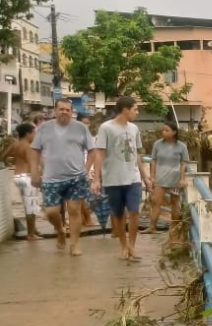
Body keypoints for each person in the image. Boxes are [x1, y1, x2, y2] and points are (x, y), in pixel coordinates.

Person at [28, 99, 93, 255]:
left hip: (76, 178)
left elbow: (92, 150)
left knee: (74, 210)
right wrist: (35, 171)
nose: (64, 112)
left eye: (67, 110)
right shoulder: (44, 128)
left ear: (72, 112)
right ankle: (60, 231)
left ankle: (74, 244)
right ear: (55, 111)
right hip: (51, 178)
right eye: (61, 109)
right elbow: (34, 150)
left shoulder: (81, 128)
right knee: (51, 212)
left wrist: (86, 169)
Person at [91, 96, 152, 261]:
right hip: (113, 178)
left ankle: (132, 245)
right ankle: (123, 246)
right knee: (118, 214)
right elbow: (100, 153)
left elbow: (136, 154)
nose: (137, 112)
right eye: (135, 109)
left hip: (133, 177)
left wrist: (145, 176)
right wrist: (96, 179)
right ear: (125, 109)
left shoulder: (134, 129)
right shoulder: (106, 128)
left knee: (134, 211)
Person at [145, 121, 189, 238]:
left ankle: (174, 228)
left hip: (175, 178)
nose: (164, 132)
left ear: (174, 132)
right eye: (163, 130)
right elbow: (153, 160)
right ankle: (152, 227)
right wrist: (152, 176)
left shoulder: (181, 146)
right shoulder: (157, 144)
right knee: (156, 202)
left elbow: (183, 163)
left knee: (175, 203)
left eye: (167, 130)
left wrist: (182, 179)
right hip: (161, 178)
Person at [2, 123, 42, 240]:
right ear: (28, 134)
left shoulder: (15, 144)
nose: (35, 135)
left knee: (27, 204)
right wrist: (38, 180)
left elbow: (3, 156)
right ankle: (31, 235)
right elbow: (32, 165)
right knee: (31, 206)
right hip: (27, 177)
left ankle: (33, 229)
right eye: (34, 133)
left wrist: (9, 162)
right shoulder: (28, 147)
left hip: (17, 177)